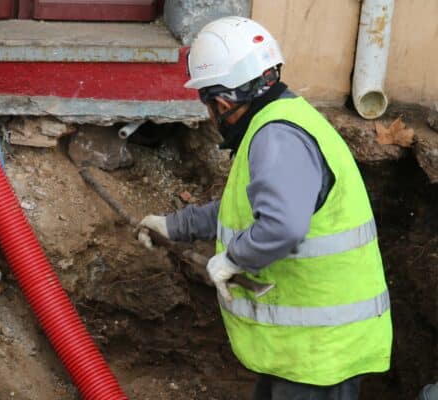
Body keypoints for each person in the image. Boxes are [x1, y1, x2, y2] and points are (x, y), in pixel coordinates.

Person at [139, 17, 393, 400]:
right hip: (305, 352)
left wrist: (233, 259)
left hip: (319, 355)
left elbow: (283, 226)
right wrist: (175, 226)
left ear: (223, 102)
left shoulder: (276, 138)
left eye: (208, 104)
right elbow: (244, 207)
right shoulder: (285, 121)